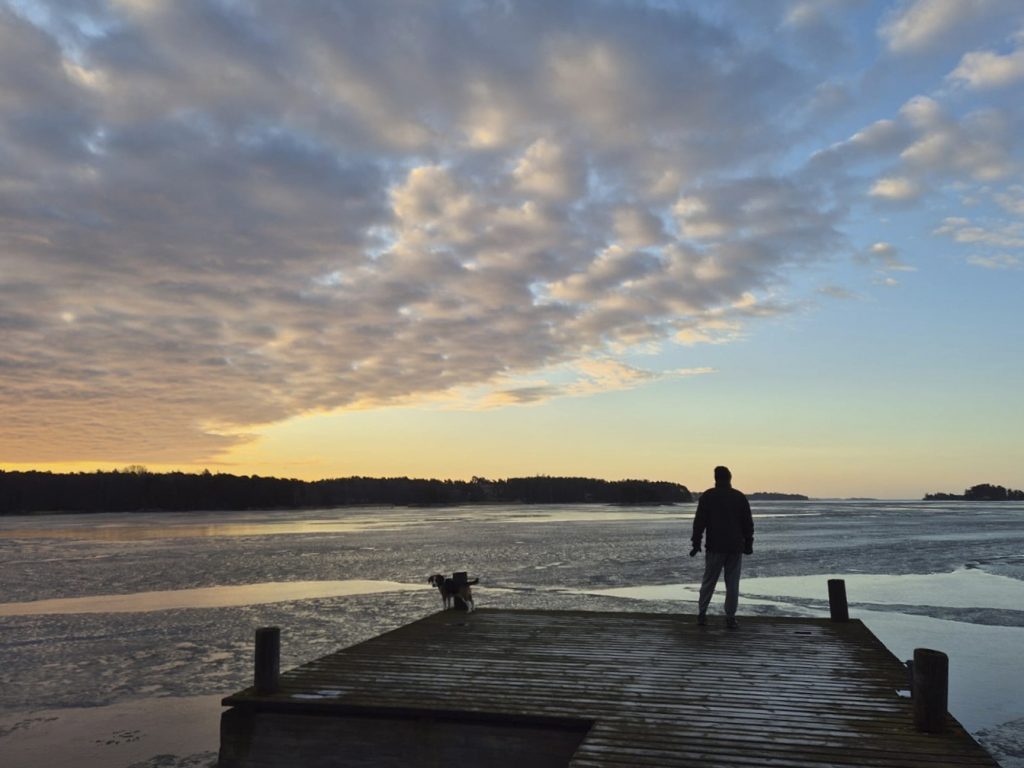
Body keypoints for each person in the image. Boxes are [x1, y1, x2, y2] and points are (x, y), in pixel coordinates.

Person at [690, 465, 753, 629]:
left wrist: (696, 543)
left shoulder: (708, 496)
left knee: (708, 581)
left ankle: (702, 614)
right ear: (730, 478)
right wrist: (749, 543)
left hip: (715, 546)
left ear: (715, 479)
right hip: (735, 547)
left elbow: (699, 523)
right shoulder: (739, 497)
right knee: (732, 584)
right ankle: (730, 617)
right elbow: (747, 523)